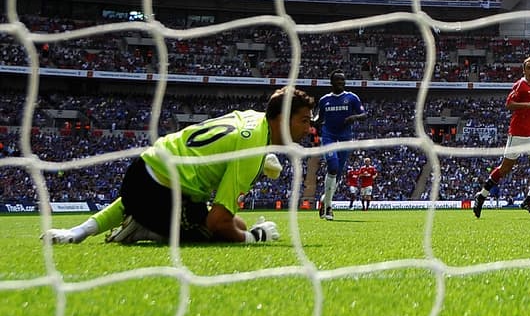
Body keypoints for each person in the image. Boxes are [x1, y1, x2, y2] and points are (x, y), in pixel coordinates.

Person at [43, 87, 314, 245]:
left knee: (237, 221)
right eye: (303, 120)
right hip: (159, 196)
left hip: (144, 171)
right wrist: (256, 237)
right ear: (281, 119)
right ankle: (145, 228)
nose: (308, 128)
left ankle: (88, 230)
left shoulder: (254, 119)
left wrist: (78, 232)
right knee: (223, 230)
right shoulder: (253, 147)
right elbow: (218, 223)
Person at [472, 56, 530, 218]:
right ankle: (481, 195)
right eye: (528, 68)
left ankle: (529, 199)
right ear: (524, 70)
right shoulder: (520, 84)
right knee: (505, 169)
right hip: (517, 134)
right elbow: (509, 104)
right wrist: (528, 105)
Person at [314, 71, 368, 221]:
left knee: (337, 174)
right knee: (332, 167)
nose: (341, 83)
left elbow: (364, 115)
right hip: (328, 136)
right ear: (331, 82)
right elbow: (319, 118)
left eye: (343, 81)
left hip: (345, 138)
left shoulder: (352, 98)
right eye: (338, 80)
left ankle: (324, 200)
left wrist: (354, 117)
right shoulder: (324, 100)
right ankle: (329, 208)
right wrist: (311, 120)